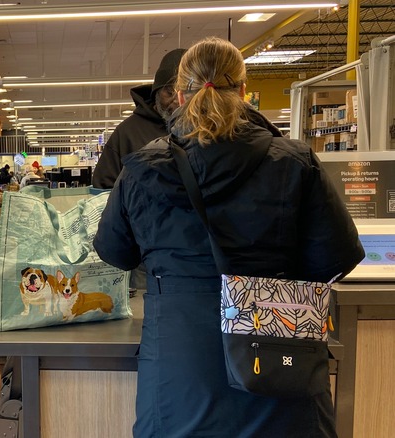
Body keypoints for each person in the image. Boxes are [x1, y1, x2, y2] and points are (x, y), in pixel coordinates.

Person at [93, 37, 363, 437]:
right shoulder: (294, 161)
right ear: (242, 90)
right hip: (277, 356)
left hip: (180, 359)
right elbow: (336, 258)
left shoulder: (144, 169)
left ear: (179, 94)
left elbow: (113, 250)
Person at [91, 47, 186, 189]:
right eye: (169, 92)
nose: (177, 100)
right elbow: (103, 189)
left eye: (185, 92)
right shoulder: (127, 133)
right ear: (156, 92)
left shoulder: (206, 130)